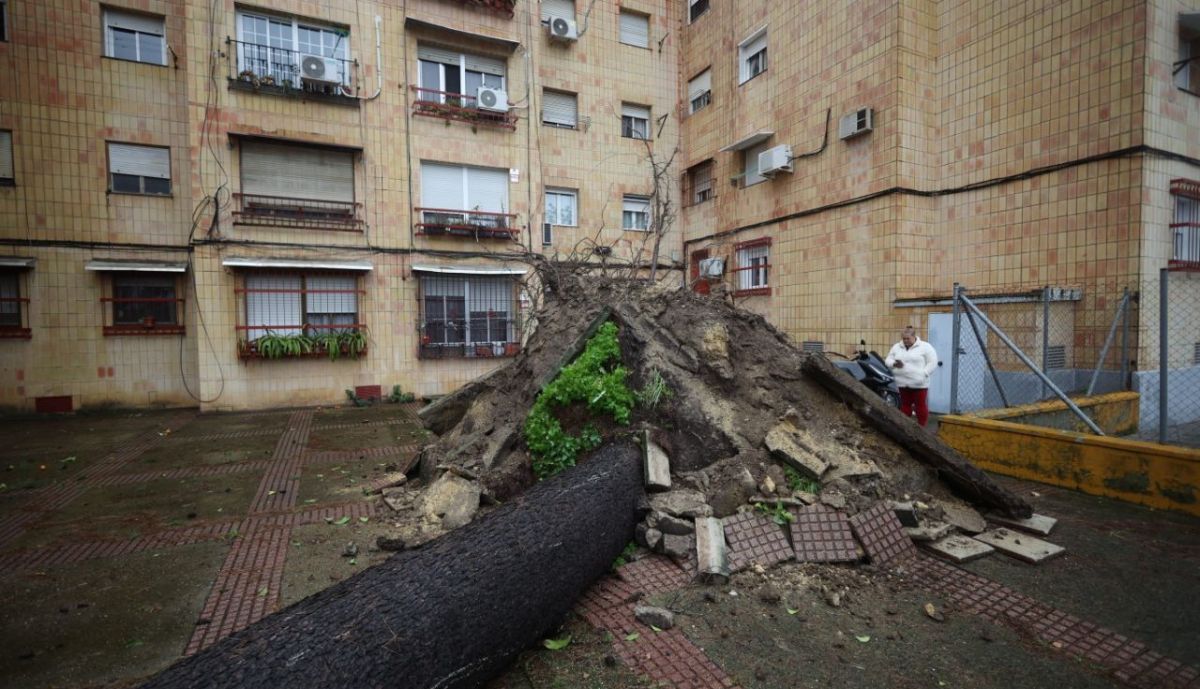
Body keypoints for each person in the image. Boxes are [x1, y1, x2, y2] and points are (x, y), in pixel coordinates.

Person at [884, 325, 938, 426]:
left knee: (920, 406)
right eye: (903, 338)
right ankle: (905, 426)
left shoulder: (925, 347)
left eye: (908, 338)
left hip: (919, 383)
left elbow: (933, 362)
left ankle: (922, 427)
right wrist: (894, 364)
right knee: (905, 405)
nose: (905, 341)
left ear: (914, 336)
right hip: (902, 382)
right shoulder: (896, 347)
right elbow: (888, 360)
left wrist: (924, 374)